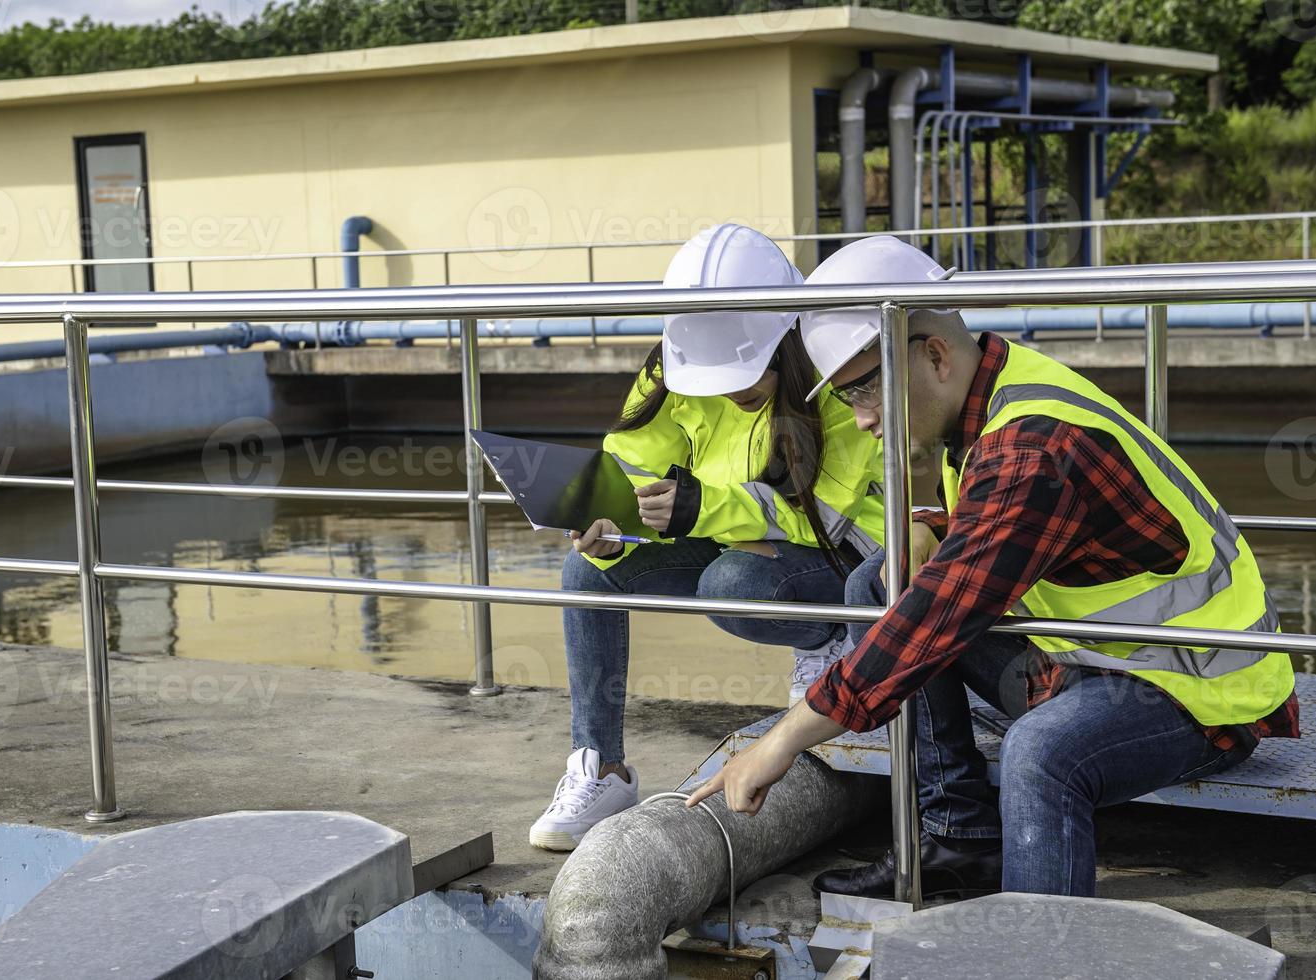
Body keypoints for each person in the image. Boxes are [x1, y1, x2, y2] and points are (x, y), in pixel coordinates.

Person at [688, 235, 1300, 897]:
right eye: (846, 399)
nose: (862, 420)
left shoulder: (1033, 447)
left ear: (933, 355)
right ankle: (958, 840)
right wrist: (933, 529)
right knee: (877, 581)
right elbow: (1018, 538)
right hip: (1096, 660)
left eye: (865, 391)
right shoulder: (995, 383)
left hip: (1201, 693)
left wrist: (780, 743)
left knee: (1040, 752)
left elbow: (931, 623)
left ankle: (1038, 953)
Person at [528, 224, 886, 851]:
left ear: (786, 341)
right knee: (587, 574)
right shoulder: (675, 364)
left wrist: (701, 508)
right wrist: (610, 516)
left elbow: (826, 518)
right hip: (727, 530)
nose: (726, 390)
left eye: (743, 377)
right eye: (714, 377)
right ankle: (599, 768)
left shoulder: (836, 372)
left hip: (845, 561)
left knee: (734, 584)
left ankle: (829, 637)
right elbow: (632, 461)